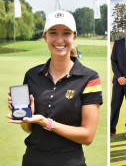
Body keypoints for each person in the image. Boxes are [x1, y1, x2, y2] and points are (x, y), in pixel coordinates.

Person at [6, 10, 103, 166]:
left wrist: (47, 123)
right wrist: (25, 117)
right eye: (53, 33)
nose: (59, 40)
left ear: (74, 37)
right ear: (45, 37)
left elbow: (87, 136)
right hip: (32, 160)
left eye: (66, 33)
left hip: (70, 162)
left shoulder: (90, 78)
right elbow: (28, 128)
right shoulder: (31, 75)